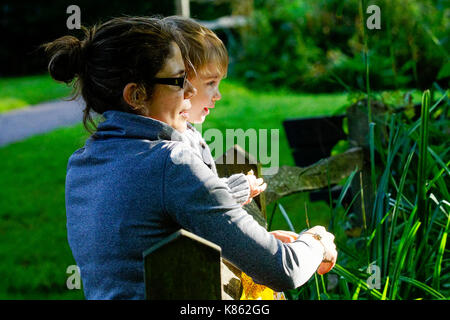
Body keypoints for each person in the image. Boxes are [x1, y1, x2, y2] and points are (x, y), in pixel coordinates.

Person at [44, 16, 337, 300]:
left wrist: (251, 244)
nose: (191, 90)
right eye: (178, 80)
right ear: (136, 96)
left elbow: (142, 253)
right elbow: (283, 270)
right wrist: (315, 242)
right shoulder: (171, 163)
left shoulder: (81, 164)